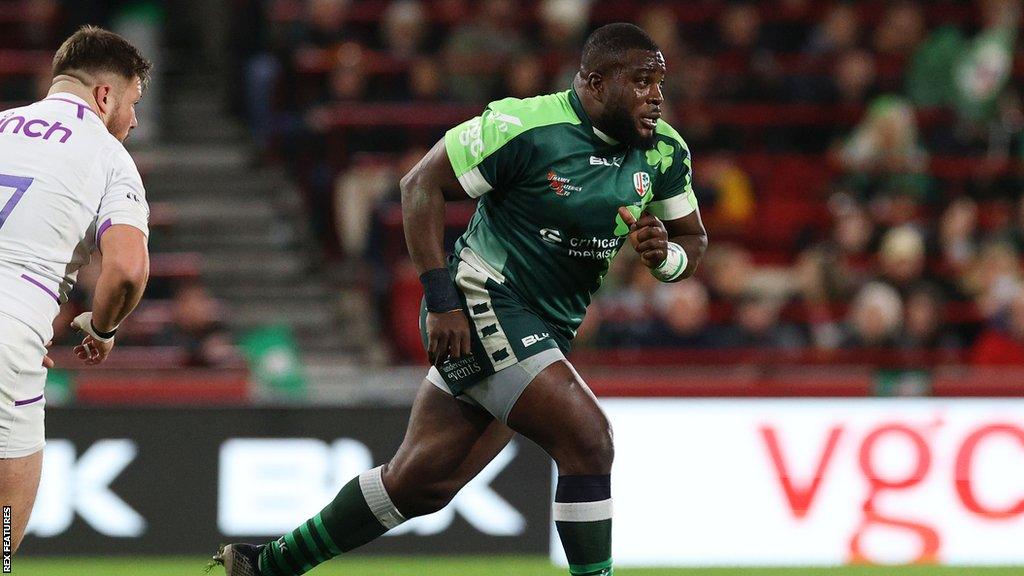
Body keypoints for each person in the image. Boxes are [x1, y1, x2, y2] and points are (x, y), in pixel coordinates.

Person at [212, 23, 707, 576]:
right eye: (641, 81)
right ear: (593, 82)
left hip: (546, 329)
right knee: (589, 439)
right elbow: (418, 185)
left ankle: (268, 566)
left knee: (421, 483)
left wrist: (664, 258)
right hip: (481, 302)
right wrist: (441, 298)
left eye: (660, 82)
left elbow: (692, 239)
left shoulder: (663, 150)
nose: (656, 95)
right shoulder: (525, 126)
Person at [0, 25, 151, 554]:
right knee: (1, 535)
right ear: (105, 96)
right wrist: (102, 326)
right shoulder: (110, 158)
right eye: (133, 102)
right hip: (10, 333)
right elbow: (127, 269)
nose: (132, 120)